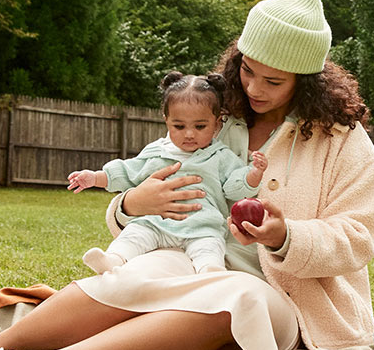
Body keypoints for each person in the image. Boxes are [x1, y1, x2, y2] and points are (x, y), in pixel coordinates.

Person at [0, 0, 374, 350]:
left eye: (273, 81)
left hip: (283, 298)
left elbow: (357, 237)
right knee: (138, 271)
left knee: (239, 295)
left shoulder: (342, 140)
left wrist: (284, 235)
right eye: (247, 70)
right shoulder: (212, 113)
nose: (253, 88)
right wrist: (130, 204)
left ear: (308, 81)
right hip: (185, 256)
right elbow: (144, 186)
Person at [66, 71, 267, 275]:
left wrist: (253, 174)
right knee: (135, 234)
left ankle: (210, 271)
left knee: (210, 247)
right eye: (179, 126)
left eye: (200, 126)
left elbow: (234, 186)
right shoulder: (157, 152)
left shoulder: (221, 156)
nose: (189, 134)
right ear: (166, 120)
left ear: (216, 122)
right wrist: (94, 177)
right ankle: (113, 259)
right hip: (156, 222)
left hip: (202, 226)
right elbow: (127, 171)